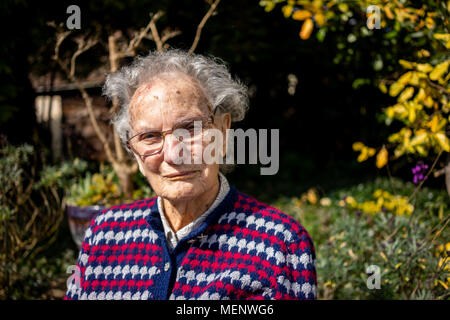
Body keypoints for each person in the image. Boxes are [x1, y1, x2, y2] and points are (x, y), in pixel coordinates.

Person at [65, 49, 317, 300]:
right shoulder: (104, 234)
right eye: (149, 137)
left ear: (223, 131)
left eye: (191, 128)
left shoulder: (280, 244)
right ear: (135, 153)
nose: (174, 153)